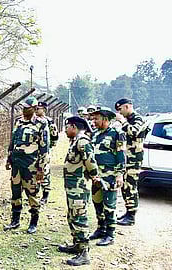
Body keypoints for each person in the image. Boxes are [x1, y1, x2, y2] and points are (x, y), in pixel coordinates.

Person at [4, 96, 49, 234]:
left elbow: (44, 147)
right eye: (23, 107)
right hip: (17, 163)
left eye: (27, 108)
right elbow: (14, 140)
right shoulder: (19, 122)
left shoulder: (41, 124)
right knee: (15, 192)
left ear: (35, 109)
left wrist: (41, 168)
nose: (24, 110)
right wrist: (9, 158)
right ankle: (15, 220)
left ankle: (33, 222)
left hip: (31, 165)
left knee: (32, 193)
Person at [58, 116, 99, 266]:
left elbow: (90, 161)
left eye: (67, 127)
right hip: (73, 186)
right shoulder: (76, 141)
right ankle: (77, 244)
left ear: (74, 127)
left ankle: (84, 253)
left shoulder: (82, 141)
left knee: (79, 217)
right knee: (72, 215)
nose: (65, 130)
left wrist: (95, 176)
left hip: (79, 186)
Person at [89, 108, 126, 246]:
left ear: (105, 119)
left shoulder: (117, 133)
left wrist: (119, 174)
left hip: (110, 175)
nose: (94, 121)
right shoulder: (95, 134)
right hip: (96, 176)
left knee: (109, 205)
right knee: (97, 202)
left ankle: (110, 235)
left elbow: (121, 155)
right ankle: (101, 228)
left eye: (96, 119)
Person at [114, 98, 145, 226]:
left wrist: (122, 122)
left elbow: (134, 132)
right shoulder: (128, 120)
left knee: (131, 186)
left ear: (127, 106)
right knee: (125, 186)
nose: (120, 113)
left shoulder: (138, 119)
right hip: (126, 158)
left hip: (134, 159)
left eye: (120, 109)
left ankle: (132, 216)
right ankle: (128, 211)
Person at [36, 101, 59, 204]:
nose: (36, 110)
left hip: (44, 150)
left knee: (44, 171)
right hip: (33, 150)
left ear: (44, 110)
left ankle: (45, 195)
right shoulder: (33, 120)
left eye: (38, 108)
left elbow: (54, 135)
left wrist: (50, 146)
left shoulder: (48, 121)